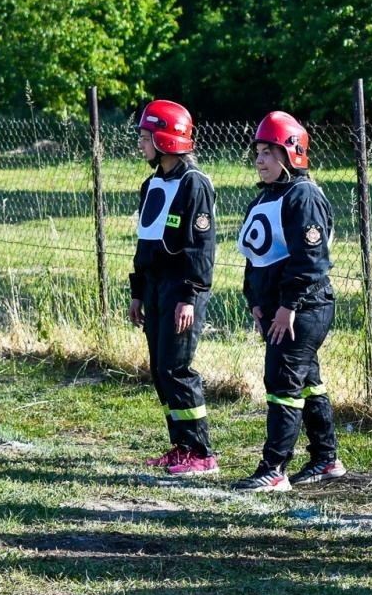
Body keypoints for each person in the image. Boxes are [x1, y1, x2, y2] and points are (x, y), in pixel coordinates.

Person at [232, 111, 346, 492]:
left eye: (269, 151)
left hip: (305, 308)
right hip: (280, 308)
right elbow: (256, 256)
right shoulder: (266, 196)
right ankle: (326, 458)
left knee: (282, 381)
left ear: (291, 154)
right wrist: (255, 301)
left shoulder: (303, 195)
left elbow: (310, 260)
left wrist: (288, 305)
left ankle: (274, 467)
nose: (260, 159)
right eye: (258, 152)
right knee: (307, 381)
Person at [129, 99, 219, 476]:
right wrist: (137, 292)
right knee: (159, 369)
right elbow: (145, 243)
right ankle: (180, 445)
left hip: (182, 290)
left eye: (146, 137)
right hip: (154, 287)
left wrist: (189, 296)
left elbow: (202, 248)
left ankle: (201, 452)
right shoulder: (151, 184)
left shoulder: (193, 184)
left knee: (176, 367)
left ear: (166, 139)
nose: (141, 145)